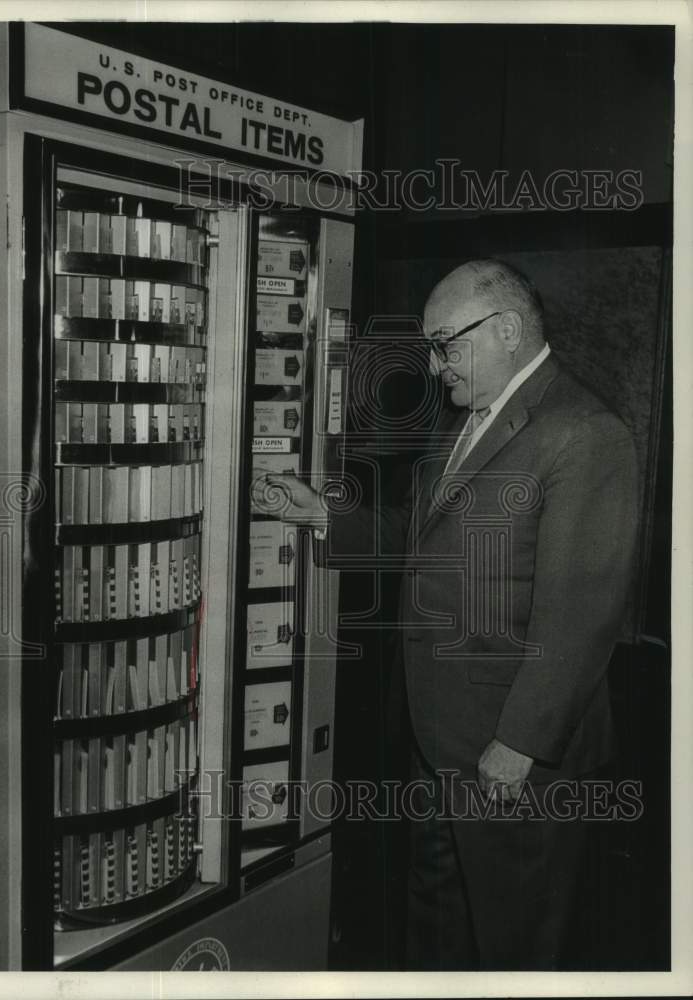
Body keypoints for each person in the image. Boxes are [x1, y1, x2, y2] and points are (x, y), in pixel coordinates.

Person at [254, 259, 639, 970]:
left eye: (444, 344)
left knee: (515, 941)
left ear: (506, 331)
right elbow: (422, 534)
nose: (434, 368)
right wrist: (324, 516)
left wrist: (519, 743)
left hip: (514, 757)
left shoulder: (583, 433)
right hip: (438, 739)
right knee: (439, 929)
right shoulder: (469, 422)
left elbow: (580, 613)